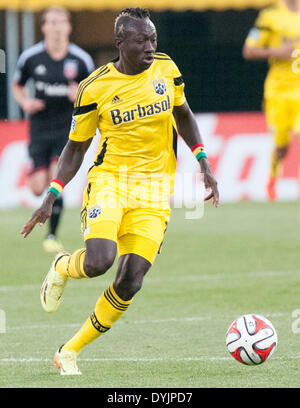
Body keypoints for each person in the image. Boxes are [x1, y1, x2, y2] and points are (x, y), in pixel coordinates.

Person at [21, 8, 219, 375]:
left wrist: (203, 161)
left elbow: (184, 114)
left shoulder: (166, 69)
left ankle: (69, 351)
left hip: (155, 191)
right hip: (110, 182)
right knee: (99, 261)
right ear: (120, 42)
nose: (150, 47)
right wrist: (51, 194)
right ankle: (63, 266)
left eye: (153, 39)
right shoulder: (94, 88)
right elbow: (76, 148)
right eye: (142, 40)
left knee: (130, 281)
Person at [13, 6, 95, 252]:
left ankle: (51, 235)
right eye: (52, 22)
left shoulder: (81, 59)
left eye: (61, 23)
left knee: (55, 177)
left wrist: (79, 93)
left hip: (67, 129)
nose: (57, 28)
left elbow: (94, 90)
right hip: (38, 128)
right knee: (38, 187)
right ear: (44, 27)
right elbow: (17, 85)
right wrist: (25, 102)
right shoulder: (31, 57)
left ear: (69, 27)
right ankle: (48, 210)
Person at [243, 0, 300, 201]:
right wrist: (278, 52)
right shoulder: (271, 16)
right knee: (281, 146)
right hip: (279, 92)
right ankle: (272, 181)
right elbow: (249, 50)